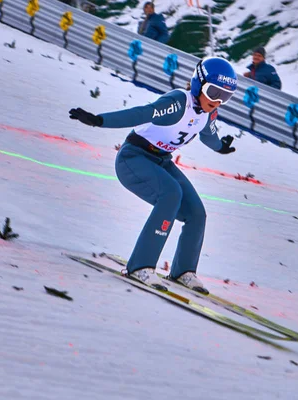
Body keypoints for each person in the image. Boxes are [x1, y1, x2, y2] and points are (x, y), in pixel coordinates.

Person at [68, 57, 238, 294]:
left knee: (196, 213)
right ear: (199, 84)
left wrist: (221, 147)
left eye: (226, 96)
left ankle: (183, 270)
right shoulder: (179, 102)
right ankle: (140, 266)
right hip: (133, 158)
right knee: (171, 194)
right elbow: (141, 114)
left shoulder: (209, 114)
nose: (218, 101)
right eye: (213, 92)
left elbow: (208, 136)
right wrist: (99, 120)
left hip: (161, 161)